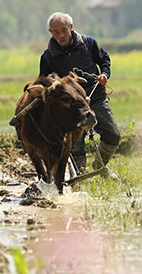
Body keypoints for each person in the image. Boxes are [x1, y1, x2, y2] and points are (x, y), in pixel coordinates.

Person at [39, 12, 120, 173]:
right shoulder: (48, 57)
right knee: (75, 145)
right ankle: (79, 178)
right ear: (51, 32)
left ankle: (99, 165)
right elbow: (44, 83)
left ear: (71, 27)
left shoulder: (88, 43)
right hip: (70, 106)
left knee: (113, 134)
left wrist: (104, 74)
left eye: (64, 30)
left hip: (94, 96)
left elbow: (104, 60)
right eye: (56, 32)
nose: (61, 35)